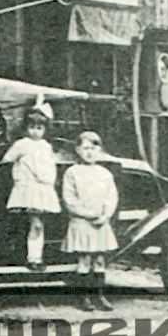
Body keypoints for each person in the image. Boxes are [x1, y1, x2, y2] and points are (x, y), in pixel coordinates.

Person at [62, 130, 119, 311]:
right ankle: (84, 298)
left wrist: (105, 216)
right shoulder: (72, 172)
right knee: (85, 259)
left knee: (100, 260)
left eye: (94, 148)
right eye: (85, 147)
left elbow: (112, 197)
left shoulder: (105, 173)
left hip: (100, 223)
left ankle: (100, 296)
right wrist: (87, 214)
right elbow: (69, 199)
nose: (89, 152)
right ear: (78, 150)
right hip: (82, 222)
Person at [2, 103, 59, 271]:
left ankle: (35, 257)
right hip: (27, 189)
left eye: (39, 128)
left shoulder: (46, 146)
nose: (35, 131)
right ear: (26, 128)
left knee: (38, 224)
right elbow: (7, 159)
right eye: (32, 127)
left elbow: (50, 167)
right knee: (35, 224)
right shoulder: (22, 144)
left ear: (45, 129)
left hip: (42, 189)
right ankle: (33, 258)